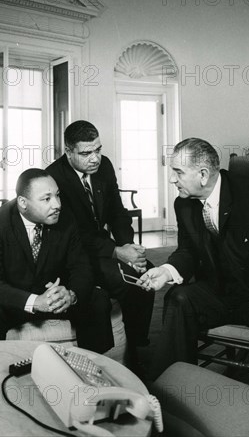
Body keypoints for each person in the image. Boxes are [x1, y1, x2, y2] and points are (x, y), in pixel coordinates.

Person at [138, 138, 249, 401]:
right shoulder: (183, 204)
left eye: (178, 172)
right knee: (178, 298)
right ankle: (172, 394)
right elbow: (188, 250)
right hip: (223, 293)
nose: (173, 180)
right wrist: (167, 270)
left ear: (204, 174)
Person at [0, 168, 114, 354]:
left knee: (98, 299)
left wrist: (71, 295)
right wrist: (34, 301)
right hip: (16, 301)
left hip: (55, 299)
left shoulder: (66, 219)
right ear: (23, 203)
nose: (57, 204)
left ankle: (95, 370)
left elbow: (82, 268)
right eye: (46, 199)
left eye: (57, 195)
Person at [46, 120, 155, 356]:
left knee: (149, 275)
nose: (94, 158)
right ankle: (130, 354)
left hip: (103, 246)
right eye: (86, 153)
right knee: (130, 283)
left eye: (98, 150)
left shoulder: (103, 166)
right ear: (68, 152)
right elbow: (72, 233)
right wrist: (117, 252)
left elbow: (117, 210)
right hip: (76, 254)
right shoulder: (54, 177)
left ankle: (139, 344)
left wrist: (128, 245)